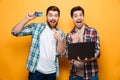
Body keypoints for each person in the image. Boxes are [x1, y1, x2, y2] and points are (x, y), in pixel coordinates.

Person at [11, 6, 65, 80]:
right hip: (36, 71)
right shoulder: (36, 27)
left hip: (52, 72)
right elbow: (15, 32)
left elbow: (60, 53)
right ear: (46, 16)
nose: (53, 18)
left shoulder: (60, 33)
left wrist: (60, 40)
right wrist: (27, 19)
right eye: (50, 15)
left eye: (56, 16)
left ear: (58, 17)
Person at [66, 6, 100, 80]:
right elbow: (67, 55)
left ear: (83, 16)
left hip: (91, 73)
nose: (78, 18)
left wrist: (88, 59)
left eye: (80, 15)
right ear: (72, 18)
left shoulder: (92, 31)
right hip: (75, 74)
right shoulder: (69, 35)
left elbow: (98, 52)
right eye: (75, 16)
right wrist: (74, 42)